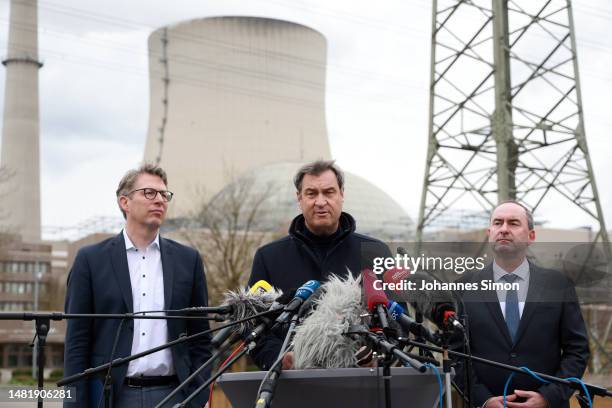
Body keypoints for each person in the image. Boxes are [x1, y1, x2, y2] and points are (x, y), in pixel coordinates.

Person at [64, 164, 212, 408]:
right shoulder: (90, 260)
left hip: (175, 395)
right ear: (125, 202)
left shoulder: (189, 260)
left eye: (164, 195)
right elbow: (77, 343)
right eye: (149, 193)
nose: (160, 200)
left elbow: (200, 338)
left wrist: (200, 397)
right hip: (111, 396)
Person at [247, 159, 391, 369]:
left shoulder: (376, 253)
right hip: (289, 389)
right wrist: (280, 359)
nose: (320, 201)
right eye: (311, 193)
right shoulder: (267, 257)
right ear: (299, 198)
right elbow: (254, 328)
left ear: (342, 194)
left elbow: (396, 323)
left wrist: (376, 356)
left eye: (329, 192)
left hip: (361, 388)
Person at [455, 201, 589, 408]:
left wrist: (549, 397)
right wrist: (482, 399)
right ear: (489, 233)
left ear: (531, 236)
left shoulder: (558, 284)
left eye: (514, 223)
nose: (504, 229)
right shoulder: (463, 287)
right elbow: (457, 353)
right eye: (498, 223)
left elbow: (577, 350)